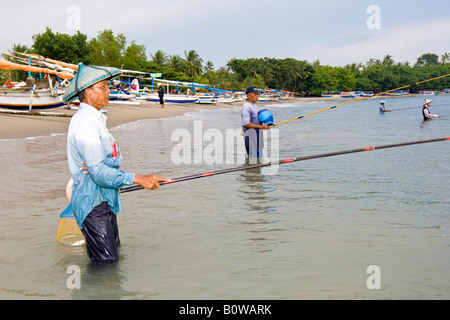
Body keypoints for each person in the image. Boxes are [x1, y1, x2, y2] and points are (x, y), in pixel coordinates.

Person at [64, 63, 168, 263]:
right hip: (93, 205)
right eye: (103, 86)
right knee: (105, 266)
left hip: (104, 200)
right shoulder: (86, 121)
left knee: (111, 261)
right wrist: (139, 179)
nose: (108, 90)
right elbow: (98, 172)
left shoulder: (96, 120)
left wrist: (109, 172)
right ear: (88, 92)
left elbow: (102, 166)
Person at [241, 86, 271, 162]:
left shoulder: (254, 105)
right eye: (255, 94)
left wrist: (267, 124)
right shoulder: (246, 107)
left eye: (258, 94)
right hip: (251, 137)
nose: (257, 96)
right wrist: (261, 126)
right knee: (253, 158)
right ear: (248, 95)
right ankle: (251, 173)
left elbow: (256, 120)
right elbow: (246, 123)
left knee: (259, 159)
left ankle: (255, 173)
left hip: (258, 136)